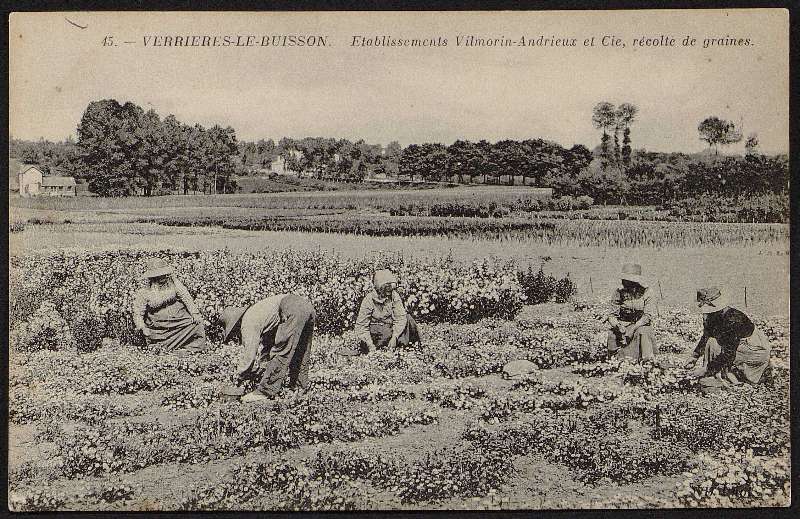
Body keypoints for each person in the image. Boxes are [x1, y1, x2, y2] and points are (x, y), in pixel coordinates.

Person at [221, 294, 316, 403]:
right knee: (301, 352)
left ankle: (265, 392)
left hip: (291, 308)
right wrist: (262, 368)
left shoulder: (247, 322)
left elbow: (249, 354)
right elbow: (268, 346)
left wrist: (239, 376)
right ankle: (299, 388)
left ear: (235, 325)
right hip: (307, 307)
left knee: (282, 351)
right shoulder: (260, 313)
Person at [684, 287, 771, 391]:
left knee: (715, 344)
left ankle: (721, 378)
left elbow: (729, 353)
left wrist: (707, 369)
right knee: (712, 341)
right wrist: (694, 356)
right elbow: (707, 335)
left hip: (755, 352)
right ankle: (719, 374)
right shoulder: (713, 316)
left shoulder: (733, 319)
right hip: (738, 348)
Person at [132, 258, 207, 356]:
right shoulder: (145, 291)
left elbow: (186, 296)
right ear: (153, 278)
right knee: (156, 344)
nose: (163, 278)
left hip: (180, 318)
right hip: (159, 325)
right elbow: (138, 312)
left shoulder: (173, 282)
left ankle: (189, 348)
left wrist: (194, 313)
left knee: (197, 325)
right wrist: (142, 327)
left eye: (164, 275)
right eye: (159, 276)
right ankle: (165, 348)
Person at [339, 269, 420, 356]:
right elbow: (362, 325)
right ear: (379, 287)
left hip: (391, 330)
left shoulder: (394, 296)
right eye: (386, 288)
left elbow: (400, 317)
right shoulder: (368, 300)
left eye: (390, 288)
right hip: (375, 334)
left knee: (409, 319)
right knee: (381, 331)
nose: (389, 291)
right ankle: (383, 349)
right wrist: (370, 345)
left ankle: (411, 348)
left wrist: (395, 337)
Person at [605, 263, 656, 362]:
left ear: (634, 281)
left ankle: (647, 363)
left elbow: (648, 316)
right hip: (623, 324)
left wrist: (634, 327)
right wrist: (618, 326)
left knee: (643, 333)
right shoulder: (618, 293)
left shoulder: (647, 292)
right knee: (613, 334)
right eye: (623, 279)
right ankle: (615, 363)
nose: (624, 282)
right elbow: (612, 315)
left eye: (627, 280)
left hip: (641, 324)